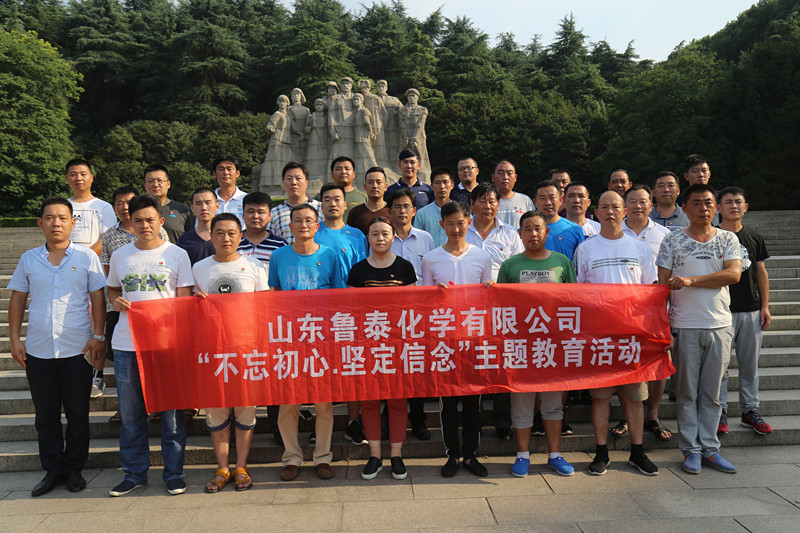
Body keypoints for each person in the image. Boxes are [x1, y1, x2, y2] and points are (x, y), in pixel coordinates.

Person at [9, 197, 106, 497]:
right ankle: (52, 469)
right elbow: (18, 299)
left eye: (63, 218)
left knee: (78, 413)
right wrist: (15, 339)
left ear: (73, 223)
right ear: (40, 223)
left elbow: (98, 297)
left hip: (77, 348)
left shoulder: (87, 257)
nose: (56, 223)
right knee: (45, 415)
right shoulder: (29, 259)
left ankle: (74, 468)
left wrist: (99, 335)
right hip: (38, 349)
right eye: (50, 217)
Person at [106, 193, 194, 497]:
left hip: (166, 346)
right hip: (127, 344)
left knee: (172, 416)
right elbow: (112, 289)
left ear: (161, 221)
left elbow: (184, 303)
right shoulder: (121, 256)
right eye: (138, 220)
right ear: (130, 223)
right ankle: (134, 474)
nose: (145, 225)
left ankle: (174, 473)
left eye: (150, 220)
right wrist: (116, 301)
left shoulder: (177, 255)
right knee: (131, 416)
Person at [656, 183, 742, 475]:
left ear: (715, 207)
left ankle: (710, 448)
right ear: (684, 208)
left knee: (712, 393)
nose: (703, 208)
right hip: (684, 325)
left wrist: (692, 281)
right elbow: (662, 286)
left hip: (719, 325)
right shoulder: (672, 240)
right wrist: (663, 327)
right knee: (686, 393)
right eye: (696, 203)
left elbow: (733, 274)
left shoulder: (728, 238)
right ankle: (691, 450)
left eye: (708, 203)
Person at [574, 191, 660, 476]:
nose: (610, 212)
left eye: (615, 207)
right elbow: (578, 294)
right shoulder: (585, 249)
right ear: (595, 213)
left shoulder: (639, 248)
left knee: (634, 398)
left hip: (632, 336)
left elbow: (650, 293)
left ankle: (637, 452)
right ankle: (601, 453)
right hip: (599, 337)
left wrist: (652, 332)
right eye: (604, 207)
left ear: (624, 212)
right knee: (600, 397)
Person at [269, 204, 346, 481]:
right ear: (290, 226)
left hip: (321, 339)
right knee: (288, 403)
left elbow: (339, 298)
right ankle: (292, 458)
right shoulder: (278, 256)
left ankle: (322, 457)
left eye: (309, 220)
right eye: (298, 220)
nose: (303, 225)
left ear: (317, 226)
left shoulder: (330, 255)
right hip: (289, 339)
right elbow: (274, 295)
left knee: (324, 404)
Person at [497, 210, 576, 477]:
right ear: (520, 234)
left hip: (553, 345)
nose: (533, 233)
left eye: (538, 228)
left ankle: (555, 454)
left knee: (553, 403)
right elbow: (500, 306)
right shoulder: (510, 265)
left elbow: (574, 301)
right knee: (521, 401)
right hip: (521, 345)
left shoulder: (562, 262)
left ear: (547, 232)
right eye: (527, 229)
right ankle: (522, 455)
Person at [192, 213, 268, 493]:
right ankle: (222, 467)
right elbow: (187, 307)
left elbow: (264, 308)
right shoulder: (199, 268)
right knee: (216, 411)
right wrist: (194, 302)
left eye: (232, 233)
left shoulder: (254, 265)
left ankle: (241, 466)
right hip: (212, 350)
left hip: (246, 348)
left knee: (246, 410)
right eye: (220, 233)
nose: (226, 238)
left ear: (240, 236)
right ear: (211, 236)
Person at [422, 201, 494, 478]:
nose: (456, 228)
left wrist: (491, 289)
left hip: (473, 340)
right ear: (442, 225)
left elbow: (487, 300)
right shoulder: (431, 259)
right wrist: (435, 294)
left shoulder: (482, 257)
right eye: (450, 223)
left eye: (461, 223)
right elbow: (424, 303)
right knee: (448, 404)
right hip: (445, 342)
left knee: (474, 403)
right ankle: (452, 454)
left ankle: (471, 455)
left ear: (469, 223)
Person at [348, 216, 418, 480]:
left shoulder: (405, 267)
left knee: (397, 401)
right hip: (367, 345)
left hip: (397, 344)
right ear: (368, 238)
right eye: (375, 233)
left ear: (393, 237)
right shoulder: (358, 270)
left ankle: (396, 455)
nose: (380, 238)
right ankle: (375, 455)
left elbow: (412, 308)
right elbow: (352, 310)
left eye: (385, 233)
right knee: (369, 401)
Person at [98, 186, 169, 406]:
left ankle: (155, 404)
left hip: (159, 318)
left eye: (128, 202)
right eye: (119, 203)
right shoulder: (110, 236)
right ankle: (127, 407)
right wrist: (116, 297)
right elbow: (110, 276)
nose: (124, 207)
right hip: (124, 309)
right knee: (124, 362)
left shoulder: (163, 237)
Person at [464, 182, 524, 440]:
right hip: (468, 308)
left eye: (492, 201)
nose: (487, 206)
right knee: (472, 361)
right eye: (482, 201)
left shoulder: (510, 234)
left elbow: (519, 268)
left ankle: (502, 421)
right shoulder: (462, 230)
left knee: (502, 361)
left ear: (498, 205)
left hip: (502, 307)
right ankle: (473, 418)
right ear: (472, 204)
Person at [314, 182, 370, 446]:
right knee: (323, 368)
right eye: (327, 199)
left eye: (337, 199)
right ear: (321, 205)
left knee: (352, 366)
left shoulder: (357, 235)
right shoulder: (312, 232)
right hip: (319, 311)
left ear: (345, 204)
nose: (332, 203)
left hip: (351, 310)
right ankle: (321, 422)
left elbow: (363, 269)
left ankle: (353, 421)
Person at [716, 186, 772, 435]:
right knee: (719, 366)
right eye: (728, 202)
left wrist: (765, 306)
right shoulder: (713, 236)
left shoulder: (754, 237)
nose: (734, 206)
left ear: (746, 207)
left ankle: (750, 410)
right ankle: (720, 410)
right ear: (719, 207)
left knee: (750, 365)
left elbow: (761, 272)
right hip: (720, 311)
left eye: (738, 202)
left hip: (751, 310)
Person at [619, 184, 673, 442]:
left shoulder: (665, 234)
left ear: (651, 206)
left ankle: (652, 414)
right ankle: (626, 415)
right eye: (632, 201)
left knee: (658, 361)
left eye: (643, 201)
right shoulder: (614, 233)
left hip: (657, 310)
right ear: (624, 207)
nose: (638, 206)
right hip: (621, 313)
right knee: (625, 359)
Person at [236, 191, 288, 446]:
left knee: (275, 374)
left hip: (271, 319)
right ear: (243, 214)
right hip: (238, 321)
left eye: (261, 212)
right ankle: (241, 428)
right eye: (250, 211)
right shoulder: (233, 242)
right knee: (241, 373)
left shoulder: (281, 246)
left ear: (269, 216)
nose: (255, 216)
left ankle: (279, 427)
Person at [387, 188, 434, 440]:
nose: (402, 211)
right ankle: (389, 421)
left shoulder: (426, 238)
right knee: (390, 366)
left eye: (406, 206)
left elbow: (431, 273)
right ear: (390, 211)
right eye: (397, 206)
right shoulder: (383, 237)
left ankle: (418, 420)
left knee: (415, 367)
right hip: (388, 314)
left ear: (414, 211)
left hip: (418, 312)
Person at [64, 158, 115, 255]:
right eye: (73, 174)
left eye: (83, 174)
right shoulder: (61, 206)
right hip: (64, 261)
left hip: (93, 262)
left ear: (91, 178)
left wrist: (84, 258)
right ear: (67, 178)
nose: (78, 178)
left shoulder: (104, 207)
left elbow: (106, 240)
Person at [267, 162, 322, 244]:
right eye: (289, 178)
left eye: (298, 178)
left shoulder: (321, 209)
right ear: (283, 183)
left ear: (306, 182)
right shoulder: (274, 213)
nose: (293, 182)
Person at [142, 164, 192, 244]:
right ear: (145, 185)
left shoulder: (182, 210)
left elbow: (192, 239)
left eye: (160, 181)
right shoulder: (138, 211)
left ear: (168, 184)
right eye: (151, 181)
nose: (155, 185)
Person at [534, 180, 584, 259]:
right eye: (542, 198)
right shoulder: (526, 231)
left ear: (560, 200)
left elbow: (581, 261)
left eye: (552, 197)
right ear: (535, 202)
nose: (548, 202)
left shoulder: (575, 230)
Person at [413, 166, 454, 247]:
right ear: (431, 186)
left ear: (452, 185)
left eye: (445, 182)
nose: (442, 186)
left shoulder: (461, 212)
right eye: (437, 182)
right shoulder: (422, 214)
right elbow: (417, 240)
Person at [177, 188, 218, 265]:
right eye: (199, 203)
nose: (204, 208)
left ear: (217, 206)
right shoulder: (184, 240)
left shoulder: (225, 238)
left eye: (208, 203)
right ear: (192, 208)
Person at [347, 167, 391, 234]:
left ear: (385, 187)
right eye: (370, 182)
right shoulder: (355, 212)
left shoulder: (392, 211)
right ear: (365, 187)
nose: (375, 186)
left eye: (379, 182)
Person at [492, 160, 534, 228]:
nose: (505, 177)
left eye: (509, 173)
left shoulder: (525, 200)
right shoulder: (487, 202)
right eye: (500, 173)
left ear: (515, 177)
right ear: (493, 177)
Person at [212, 154, 246, 225]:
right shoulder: (208, 201)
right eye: (221, 169)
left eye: (229, 169)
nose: (226, 173)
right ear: (214, 174)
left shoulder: (246, 199)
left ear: (237, 173)